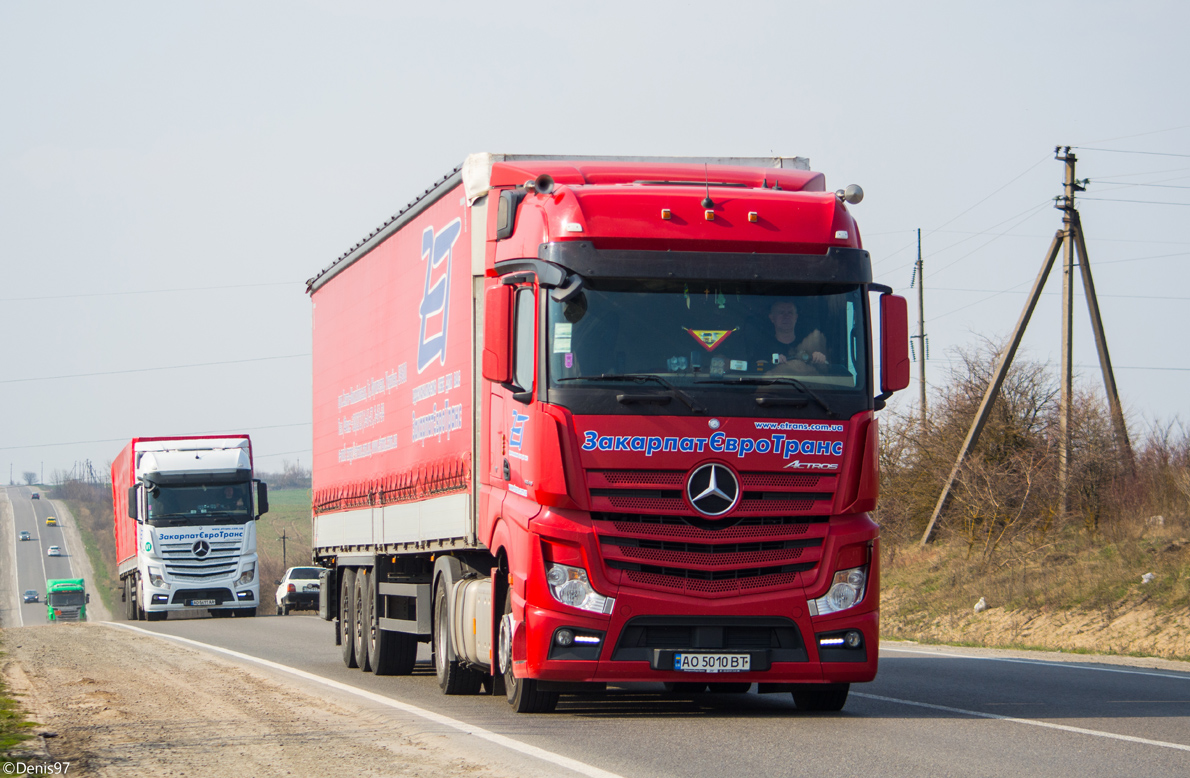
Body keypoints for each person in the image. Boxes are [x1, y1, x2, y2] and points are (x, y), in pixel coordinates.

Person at [757, 300, 827, 374]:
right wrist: (771, 364)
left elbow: (826, 371)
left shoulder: (808, 343)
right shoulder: (763, 347)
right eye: (781, 313)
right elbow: (757, 369)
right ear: (772, 318)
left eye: (790, 312)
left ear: (796, 317)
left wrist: (820, 360)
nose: (786, 316)